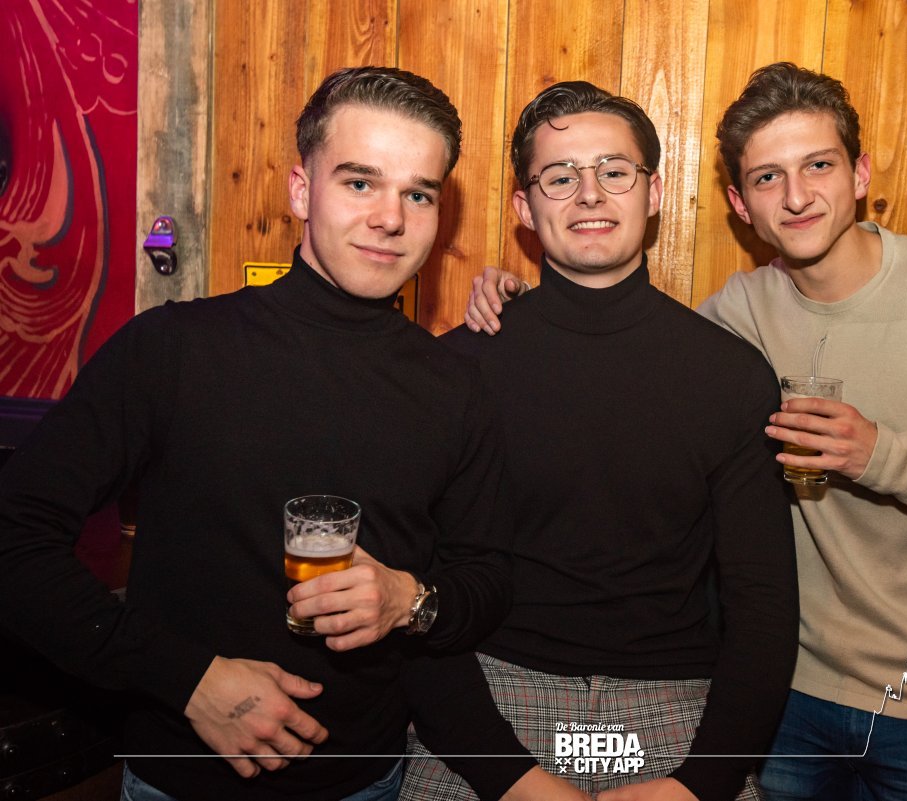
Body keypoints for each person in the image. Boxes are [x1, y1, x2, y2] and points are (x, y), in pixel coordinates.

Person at [464, 64, 907, 801]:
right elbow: (621, 341)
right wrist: (519, 302)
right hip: (790, 690)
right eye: (768, 177)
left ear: (860, 174)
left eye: (818, 166)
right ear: (741, 203)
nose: (796, 197)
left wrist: (881, 454)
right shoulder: (738, 315)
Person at [0, 66, 546, 801]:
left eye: (418, 193)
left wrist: (408, 598)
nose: (390, 217)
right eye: (360, 182)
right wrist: (188, 680)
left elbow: (487, 579)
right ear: (300, 190)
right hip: (179, 782)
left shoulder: (455, 386)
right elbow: (13, 537)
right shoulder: (173, 349)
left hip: (367, 782)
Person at [402, 81, 799, 801]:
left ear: (653, 193)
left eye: (614, 171)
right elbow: (421, 594)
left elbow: (763, 603)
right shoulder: (457, 369)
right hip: (490, 701)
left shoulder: (729, 375)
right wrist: (508, 777)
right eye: (560, 177)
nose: (590, 193)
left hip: (674, 709)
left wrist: (699, 785)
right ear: (525, 208)